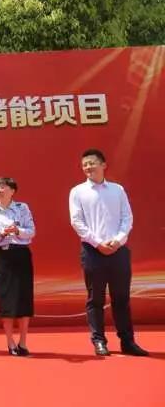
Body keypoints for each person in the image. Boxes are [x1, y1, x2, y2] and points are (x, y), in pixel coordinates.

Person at [69, 148, 148, 356]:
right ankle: (99, 341)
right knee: (95, 299)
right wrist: (98, 243)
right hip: (92, 251)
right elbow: (77, 221)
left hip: (118, 250)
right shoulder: (77, 192)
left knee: (121, 298)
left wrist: (118, 240)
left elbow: (127, 217)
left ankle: (127, 342)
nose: (88, 167)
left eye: (92, 163)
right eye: (85, 164)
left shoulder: (117, 190)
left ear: (103, 165)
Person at [0, 177, 35, 356]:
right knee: (6, 298)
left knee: (24, 297)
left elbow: (31, 231)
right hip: (2, 256)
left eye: (3, 187)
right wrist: (2, 233)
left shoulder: (22, 208)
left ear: (12, 191)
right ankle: (10, 342)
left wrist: (18, 231)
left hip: (21, 255)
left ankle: (23, 342)